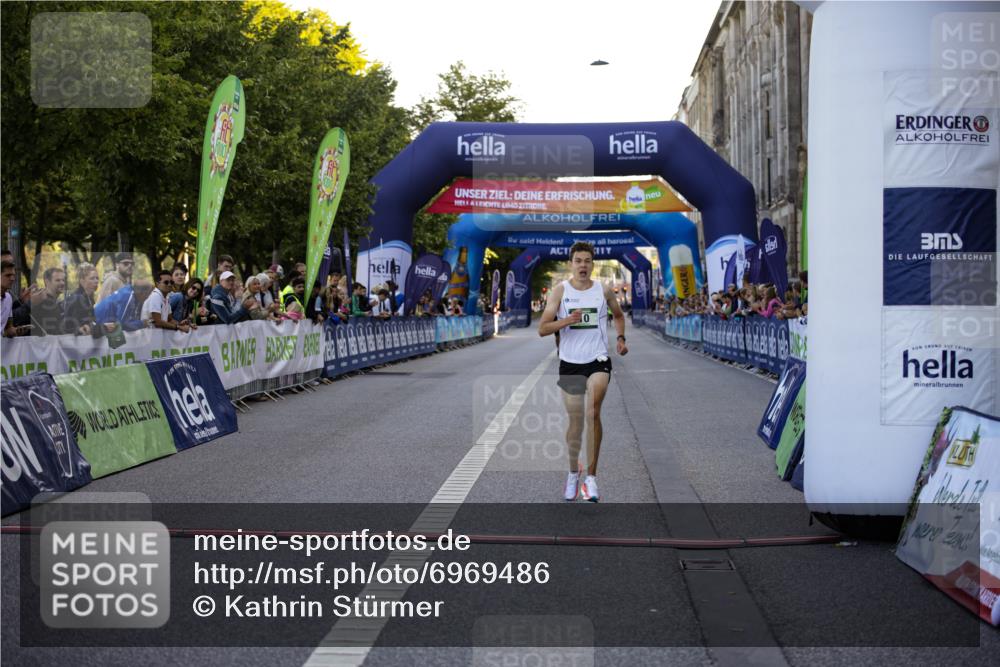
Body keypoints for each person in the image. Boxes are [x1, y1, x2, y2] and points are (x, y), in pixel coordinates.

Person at [538, 241, 628, 503]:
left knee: (593, 412)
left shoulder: (603, 290)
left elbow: (619, 315)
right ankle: (572, 473)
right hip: (570, 362)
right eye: (578, 261)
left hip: (597, 358)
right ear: (571, 264)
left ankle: (591, 478)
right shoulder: (560, 291)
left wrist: (621, 337)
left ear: (593, 264)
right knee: (576, 421)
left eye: (587, 261)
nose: (583, 265)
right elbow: (543, 329)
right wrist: (567, 320)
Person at [63, 263, 104, 335]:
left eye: (97, 278)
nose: (96, 281)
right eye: (92, 278)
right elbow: (84, 327)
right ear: (82, 281)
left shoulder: (88, 298)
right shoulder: (78, 299)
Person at [30, 267, 66, 336]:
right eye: (57, 280)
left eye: (63, 280)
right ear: (47, 281)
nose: (62, 283)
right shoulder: (41, 302)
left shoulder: (58, 304)